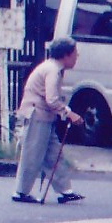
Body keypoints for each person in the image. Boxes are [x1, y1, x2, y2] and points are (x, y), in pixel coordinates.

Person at [11, 36, 87, 204]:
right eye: (75, 54)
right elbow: (51, 99)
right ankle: (21, 192)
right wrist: (70, 114)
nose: (77, 57)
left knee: (54, 154)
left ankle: (65, 190)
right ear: (66, 55)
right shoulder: (52, 70)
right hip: (37, 115)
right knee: (33, 154)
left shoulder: (53, 68)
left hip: (44, 116)